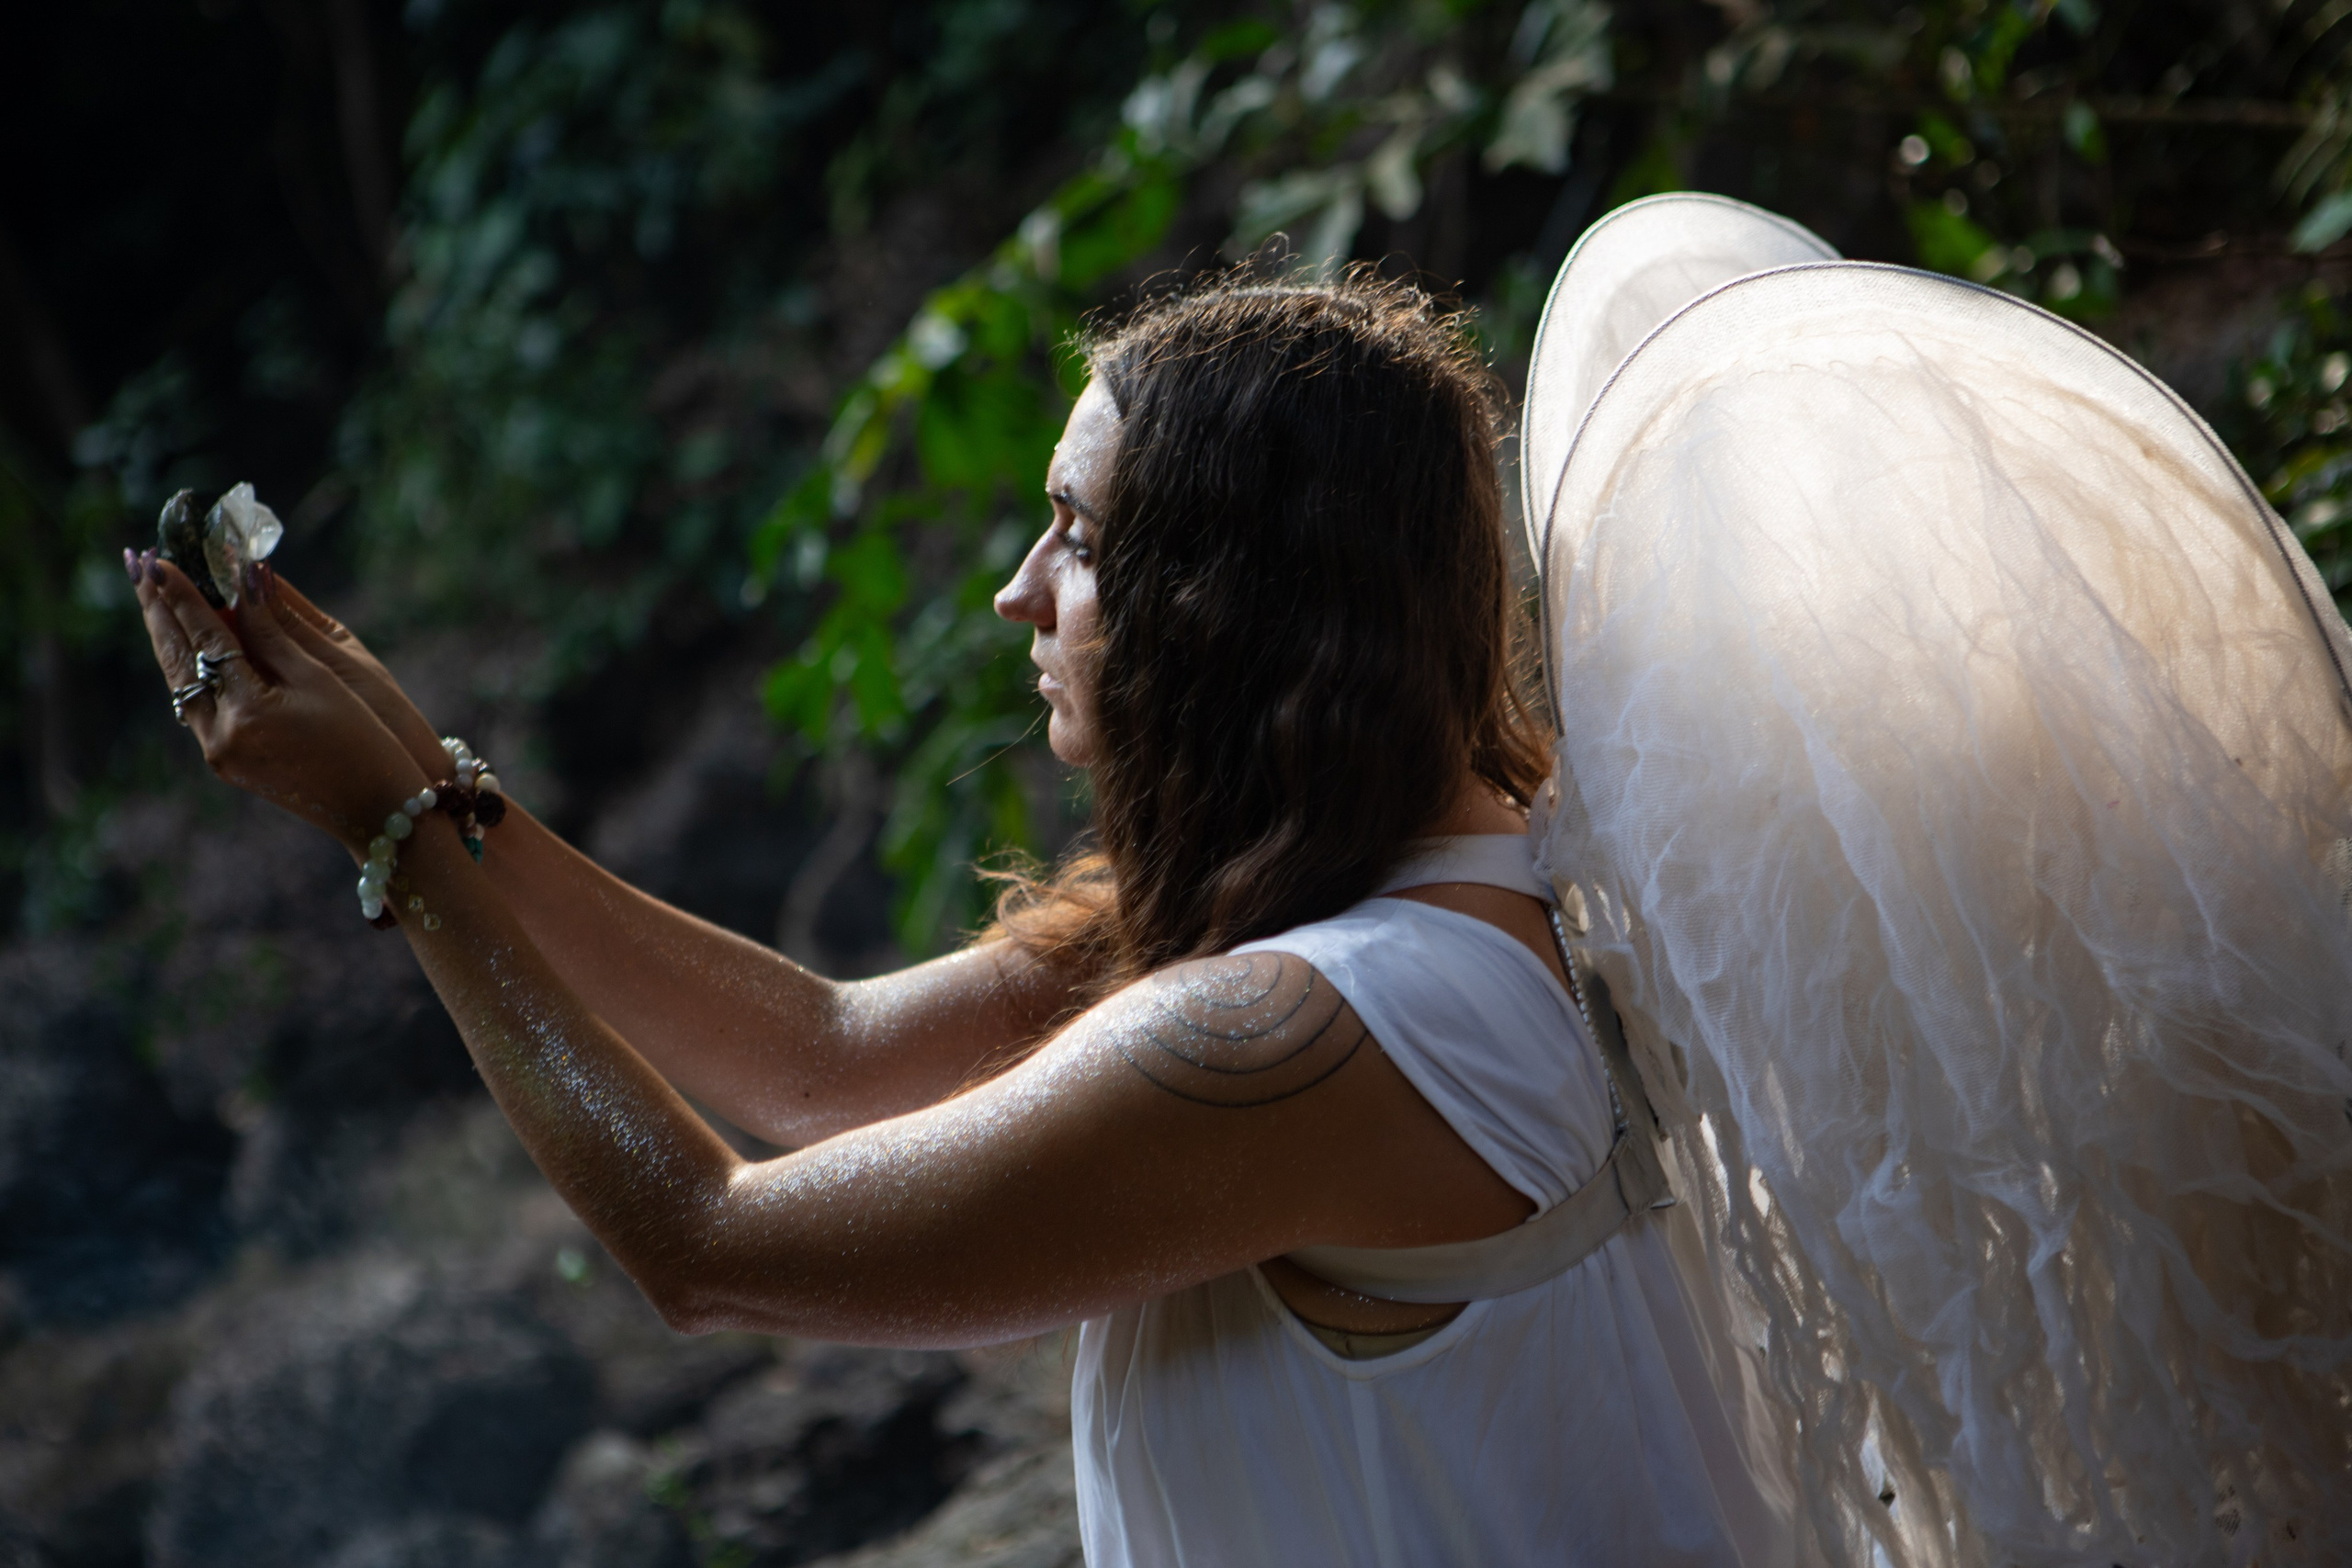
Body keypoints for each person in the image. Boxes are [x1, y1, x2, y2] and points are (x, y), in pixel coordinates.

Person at [130, 274, 1790, 1566]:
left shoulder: (1303, 1032)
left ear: (1227, 598)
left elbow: (706, 1244)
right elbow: (824, 1059)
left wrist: (394, 838)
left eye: (1075, 532)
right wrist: (422, 758)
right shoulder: (1468, 868)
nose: (1017, 587)